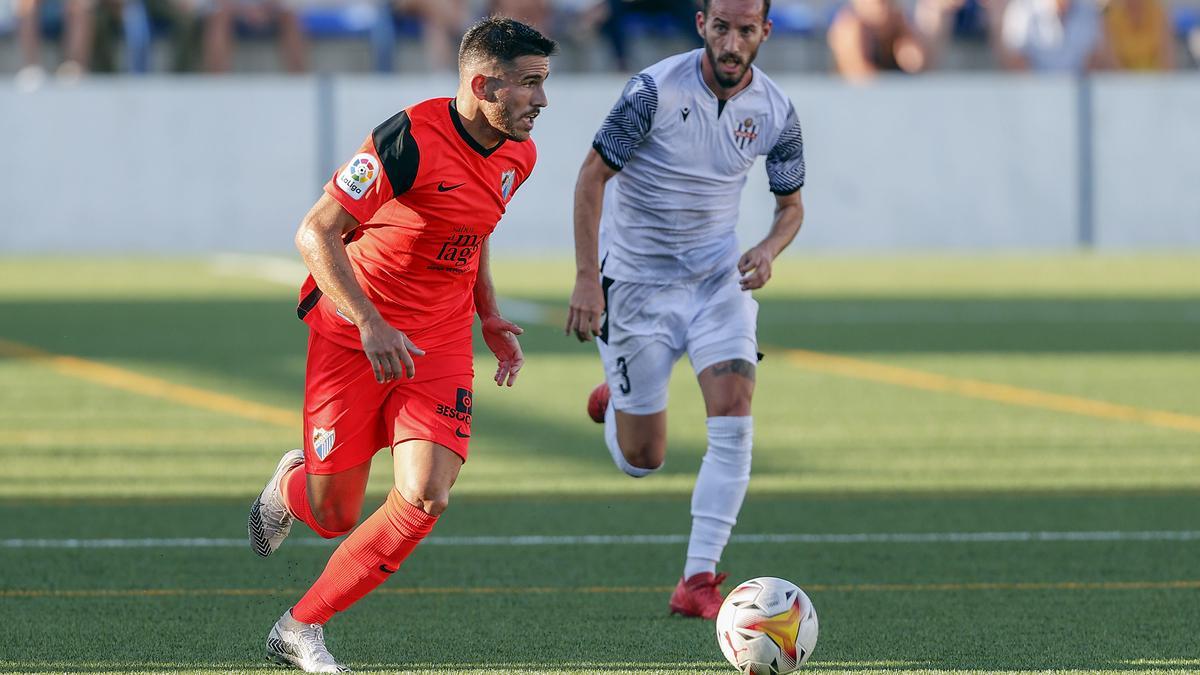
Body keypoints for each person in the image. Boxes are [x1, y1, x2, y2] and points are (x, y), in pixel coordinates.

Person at [246, 17, 555, 673]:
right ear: (483, 83)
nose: (542, 100)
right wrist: (368, 320)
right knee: (333, 512)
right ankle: (290, 484)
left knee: (424, 494)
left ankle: (300, 626)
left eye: (543, 84)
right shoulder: (405, 139)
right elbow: (316, 232)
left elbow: (473, 230)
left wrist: (490, 315)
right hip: (352, 337)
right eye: (529, 84)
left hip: (437, 344)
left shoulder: (519, 156)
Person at [565, 0, 805, 620]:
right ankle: (618, 402)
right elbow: (591, 179)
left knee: (734, 406)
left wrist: (770, 249)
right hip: (637, 286)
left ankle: (697, 579)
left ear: (764, 33)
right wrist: (588, 281)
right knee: (645, 460)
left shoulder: (776, 110)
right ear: (702, 25)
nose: (731, 43)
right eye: (720, 28)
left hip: (717, 281)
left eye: (744, 31)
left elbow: (791, 207)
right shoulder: (651, 92)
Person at [829, 0, 932, 78]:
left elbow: (920, 67)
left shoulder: (898, 23)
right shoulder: (850, 27)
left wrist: (907, 53)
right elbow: (859, 75)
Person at [999, 0, 1108, 71]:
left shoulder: (1089, 10)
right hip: (1034, 97)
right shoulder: (1021, 8)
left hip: (1079, 97)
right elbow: (1015, 59)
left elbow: (1096, 57)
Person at [1103, 0, 1174, 70]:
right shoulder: (1113, 16)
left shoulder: (1158, 12)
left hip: (1156, 76)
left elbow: (1167, 54)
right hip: (1123, 76)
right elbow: (1111, 57)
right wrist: (1123, 78)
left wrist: (1163, 78)